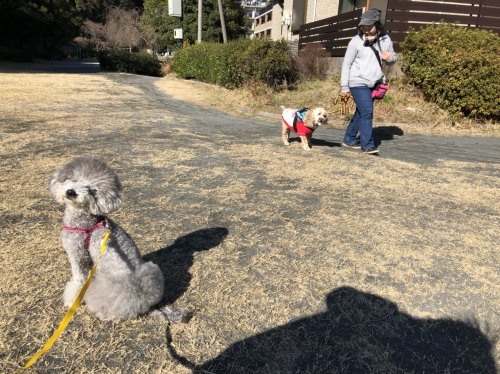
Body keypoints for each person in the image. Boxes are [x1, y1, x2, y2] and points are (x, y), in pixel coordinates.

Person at [340, 8, 397, 155]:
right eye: (363, 27)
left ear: (377, 25)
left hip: (374, 82)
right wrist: (344, 86)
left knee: (361, 112)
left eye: (369, 27)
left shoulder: (385, 40)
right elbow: (346, 64)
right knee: (367, 111)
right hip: (357, 82)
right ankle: (367, 145)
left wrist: (390, 59)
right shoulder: (355, 42)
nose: (365, 30)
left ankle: (349, 139)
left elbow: (392, 59)